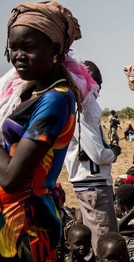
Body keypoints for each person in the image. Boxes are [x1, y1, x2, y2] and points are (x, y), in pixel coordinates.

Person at [0, 1, 82, 260]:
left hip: (25, 225)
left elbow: (12, 179)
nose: (18, 56)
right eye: (13, 48)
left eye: (29, 47)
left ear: (55, 49)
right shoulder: (32, 90)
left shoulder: (54, 99)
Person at [64, 60, 119, 254]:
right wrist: (113, 153)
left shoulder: (78, 108)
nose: (98, 90)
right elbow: (98, 154)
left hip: (89, 185)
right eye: (97, 85)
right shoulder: (82, 110)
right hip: (94, 186)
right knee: (106, 244)